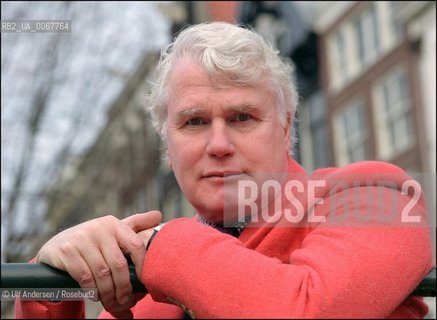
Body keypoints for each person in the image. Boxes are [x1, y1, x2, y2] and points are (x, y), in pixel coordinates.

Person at [15, 21, 433, 319]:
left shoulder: (376, 197)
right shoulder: (146, 290)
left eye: (242, 118)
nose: (218, 145)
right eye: (194, 122)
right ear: (168, 143)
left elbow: (311, 310)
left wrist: (170, 244)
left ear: (286, 128)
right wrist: (50, 285)